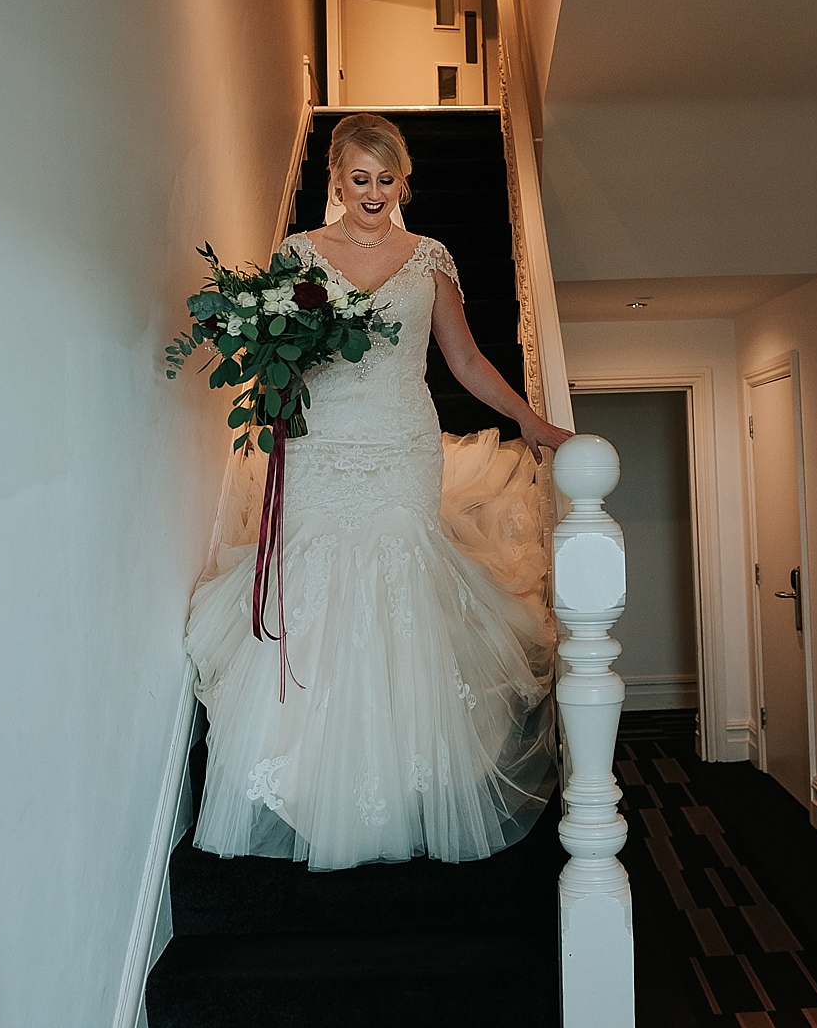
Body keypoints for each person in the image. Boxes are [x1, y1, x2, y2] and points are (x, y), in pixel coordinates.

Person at [185, 112, 574, 870]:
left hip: (400, 445)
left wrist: (528, 417)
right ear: (334, 178)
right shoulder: (298, 252)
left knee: (398, 582)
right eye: (358, 179)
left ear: (404, 181)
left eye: (385, 180)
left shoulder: (431, 259)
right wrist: (269, 378)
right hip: (320, 447)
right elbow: (281, 360)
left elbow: (461, 361)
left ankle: (396, 776)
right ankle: (311, 772)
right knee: (315, 583)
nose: (372, 193)